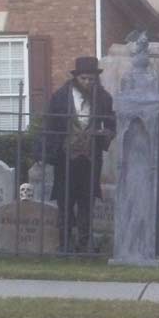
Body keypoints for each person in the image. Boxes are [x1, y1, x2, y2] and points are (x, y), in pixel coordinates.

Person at [38, 57, 115, 252]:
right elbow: (50, 126)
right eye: (84, 78)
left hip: (90, 159)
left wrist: (106, 134)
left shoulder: (104, 98)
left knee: (87, 201)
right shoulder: (60, 97)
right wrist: (48, 151)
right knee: (65, 201)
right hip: (66, 159)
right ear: (76, 78)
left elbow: (112, 124)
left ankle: (84, 243)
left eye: (91, 79)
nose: (88, 82)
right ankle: (64, 243)